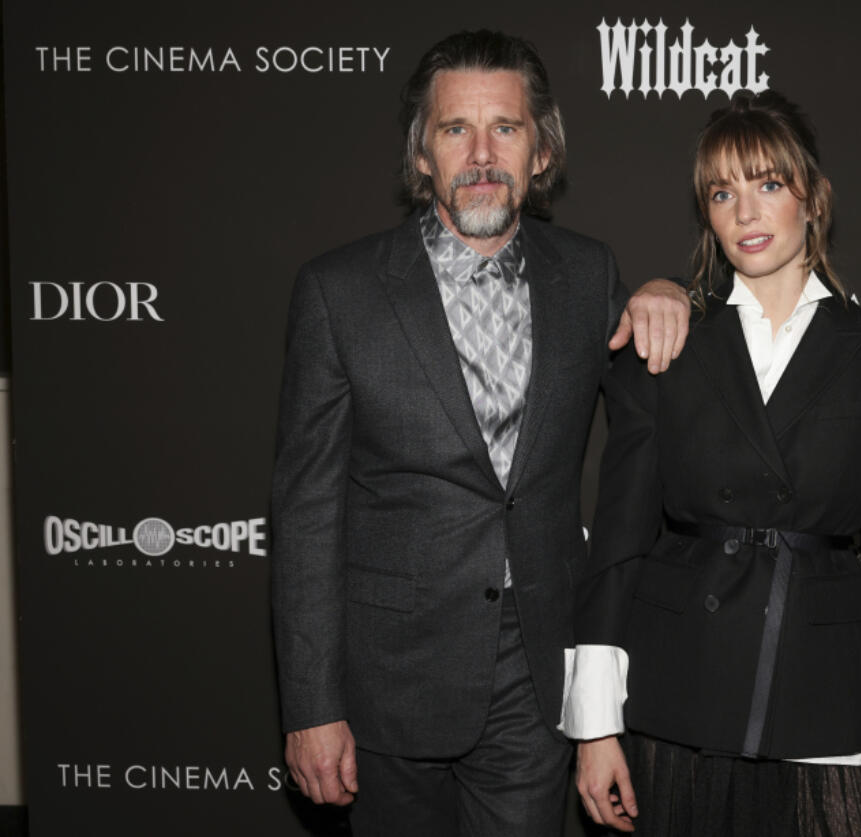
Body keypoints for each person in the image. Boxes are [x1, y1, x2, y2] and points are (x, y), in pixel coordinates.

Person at [270, 30, 689, 837]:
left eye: (507, 127)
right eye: (455, 129)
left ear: (542, 151)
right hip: (390, 675)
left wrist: (668, 287)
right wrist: (312, 705)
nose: (482, 152)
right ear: (422, 154)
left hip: (535, 667)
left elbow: (667, 397)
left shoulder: (588, 273)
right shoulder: (339, 291)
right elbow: (306, 512)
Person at [562, 92, 861, 837]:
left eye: (768, 185)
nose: (746, 211)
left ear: (812, 198)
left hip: (828, 702)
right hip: (679, 697)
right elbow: (617, 546)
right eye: (724, 192)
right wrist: (594, 726)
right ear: (708, 214)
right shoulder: (667, 352)